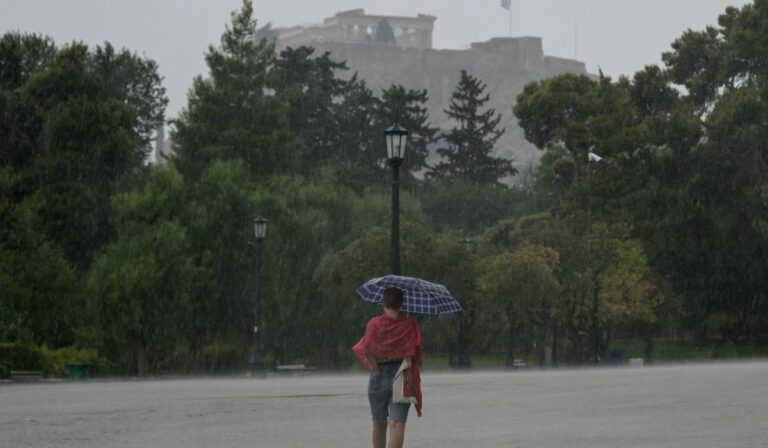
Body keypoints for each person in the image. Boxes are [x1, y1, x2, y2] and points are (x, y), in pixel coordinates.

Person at [352, 287, 423, 448]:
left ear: (383, 302)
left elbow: (366, 348)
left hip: (379, 374)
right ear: (401, 304)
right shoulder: (410, 324)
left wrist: (375, 368)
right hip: (403, 375)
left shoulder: (374, 323)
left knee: (379, 423)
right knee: (397, 423)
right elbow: (417, 352)